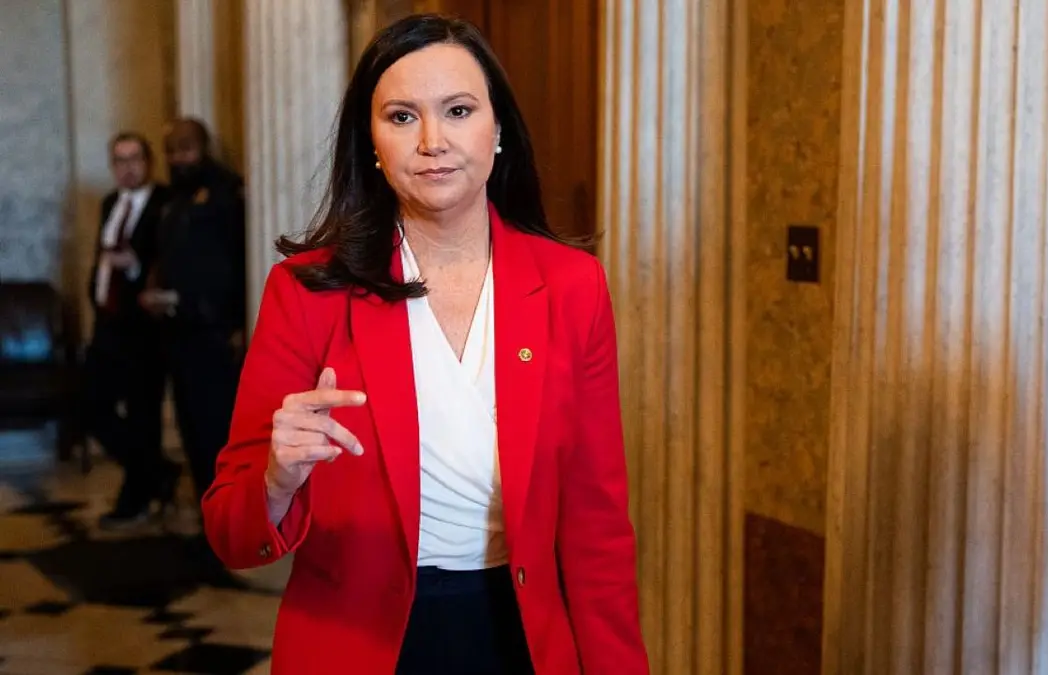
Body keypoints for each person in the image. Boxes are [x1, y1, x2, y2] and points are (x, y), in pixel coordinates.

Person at [201, 13, 649, 675]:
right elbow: (230, 535)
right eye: (402, 117)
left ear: (499, 130)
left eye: (459, 110)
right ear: (372, 143)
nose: (433, 141)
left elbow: (598, 527)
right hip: (359, 644)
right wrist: (276, 479)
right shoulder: (307, 293)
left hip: (522, 638)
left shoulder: (572, 286)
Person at [141, 118, 246, 529]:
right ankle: (208, 521)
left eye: (185, 148)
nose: (177, 158)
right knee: (190, 429)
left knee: (215, 432)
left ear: (203, 148)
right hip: (177, 330)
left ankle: (227, 524)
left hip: (215, 332)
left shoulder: (226, 194)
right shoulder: (174, 199)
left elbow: (235, 261)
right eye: (170, 150)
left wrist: (237, 323)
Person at [82, 131, 177, 529]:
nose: (128, 168)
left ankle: (135, 497)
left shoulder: (165, 203)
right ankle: (158, 472)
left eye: (134, 158)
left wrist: (134, 265)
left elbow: (167, 260)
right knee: (91, 408)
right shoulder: (110, 203)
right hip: (107, 325)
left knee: (142, 416)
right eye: (119, 160)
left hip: (144, 331)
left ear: (148, 162)